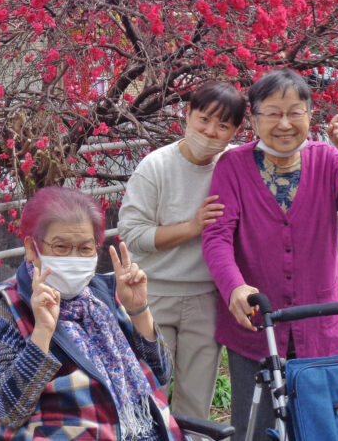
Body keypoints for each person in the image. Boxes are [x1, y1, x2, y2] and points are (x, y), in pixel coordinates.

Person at [201, 69, 338, 440]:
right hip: (256, 321)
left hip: (321, 320)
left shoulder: (328, 160)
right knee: (256, 426)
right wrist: (235, 288)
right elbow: (217, 236)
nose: (284, 124)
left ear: (310, 115)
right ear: (254, 119)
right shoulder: (233, 166)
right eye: (272, 113)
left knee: (322, 423)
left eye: (295, 112)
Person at [0, 186, 184, 440]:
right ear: (31, 248)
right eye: (61, 247)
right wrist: (41, 335)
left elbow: (161, 374)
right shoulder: (9, 307)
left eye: (85, 249)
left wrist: (139, 309)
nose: (74, 258)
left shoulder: (104, 294)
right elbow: (6, 412)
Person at [117, 81, 246, 420]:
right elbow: (132, 233)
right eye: (203, 119)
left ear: (236, 130)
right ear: (186, 115)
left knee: (196, 398)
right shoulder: (156, 166)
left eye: (223, 126)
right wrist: (192, 227)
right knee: (149, 393)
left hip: (207, 297)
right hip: (154, 293)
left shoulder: (235, 164)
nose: (210, 132)